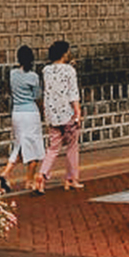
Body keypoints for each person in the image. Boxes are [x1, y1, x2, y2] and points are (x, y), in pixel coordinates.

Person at [35, 40, 83, 193]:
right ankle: (71, 179)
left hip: (52, 114)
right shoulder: (69, 70)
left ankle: (42, 175)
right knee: (72, 147)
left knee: (53, 148)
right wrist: (78, 112)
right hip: (67, 113)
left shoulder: (46, 70)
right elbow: (72, 92)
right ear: (64, 53)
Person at [0, 45, 45, 193]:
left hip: (17, 113)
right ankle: (29, 181)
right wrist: (43, 113)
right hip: (30, 112)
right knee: (35, 149)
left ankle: (6, 173)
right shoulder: (33, 76)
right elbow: (37, 96)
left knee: (19, 145)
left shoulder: (12, 74)